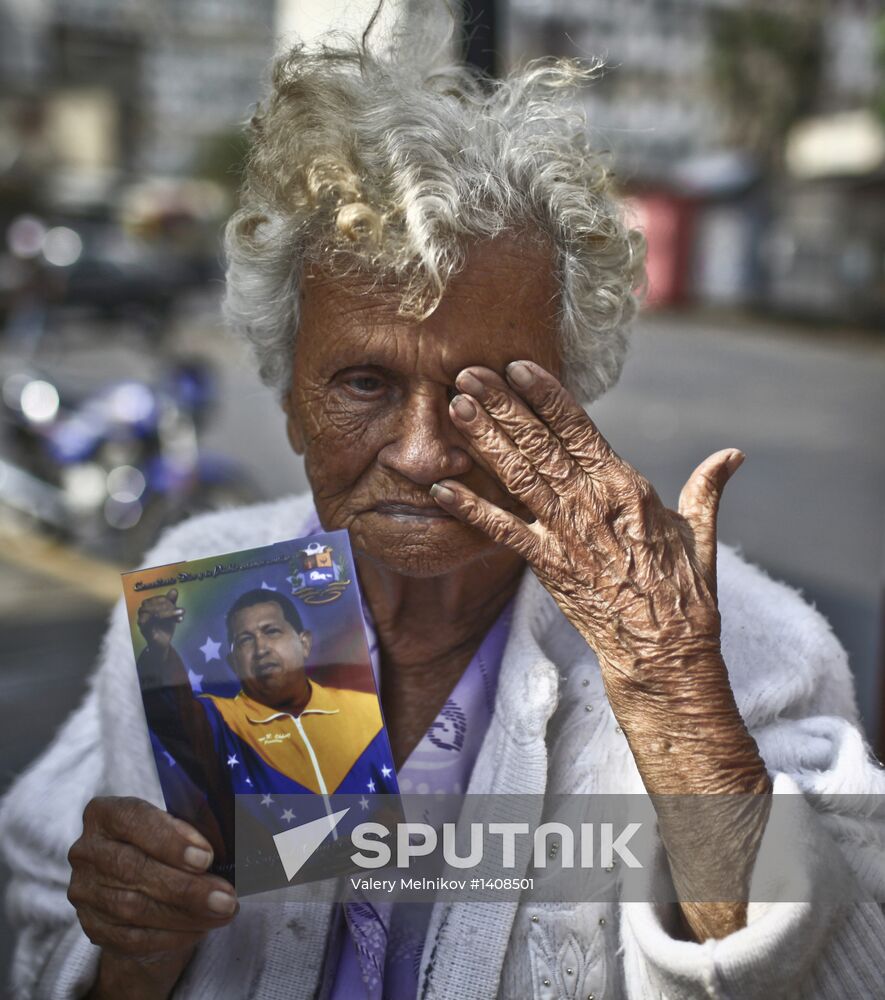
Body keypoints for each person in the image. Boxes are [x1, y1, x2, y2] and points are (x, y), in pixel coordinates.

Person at [2, 18, 884, 1000]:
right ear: (290, 392)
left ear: (572, 390)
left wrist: (675, 693)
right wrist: (134, 943)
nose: (424, 452)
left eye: (486, 389)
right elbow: (45, 929)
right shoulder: (210, 593)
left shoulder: (733, 645)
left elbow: (835, 974)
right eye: (365, 381)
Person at [137, 588, 393, 869]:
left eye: (272, 631)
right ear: (234, 663)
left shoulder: (365, 709)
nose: (261, 649)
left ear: (304, 643)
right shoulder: (219, 720)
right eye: (245, 640)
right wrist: (158, 652)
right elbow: (172, 709)